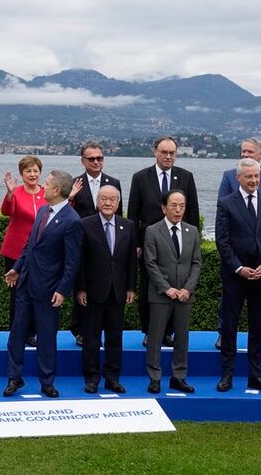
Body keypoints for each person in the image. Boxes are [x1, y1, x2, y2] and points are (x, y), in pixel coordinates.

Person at [3, 170, 82, 398]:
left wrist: (62, 290)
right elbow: (29, 246)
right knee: (16, 333)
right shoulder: (42, 211)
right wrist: (16, 269)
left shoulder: (72, 220)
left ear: (57, 190)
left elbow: (72, 261)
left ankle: (47, 382)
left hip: (49, 289)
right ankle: (13, 378)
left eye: (46, 184)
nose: (42, 187)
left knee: (47, 338)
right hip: (26, 283)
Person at [215, 158, 261, 394]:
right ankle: (227, 375)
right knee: (230, 327)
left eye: (257, 176)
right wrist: (238, 268)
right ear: (238, 178)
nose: (253, 180)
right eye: (249, 176)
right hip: (235, 276)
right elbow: (222, 241)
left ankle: (256, 376)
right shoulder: (226, 203)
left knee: (259, 327)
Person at [127, 136, 200, 347]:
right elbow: (133, 212)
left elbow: (192, 212)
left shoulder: (186, 177)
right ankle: (149, 331)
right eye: (164, 152)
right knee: (149, 287)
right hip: (149, 243)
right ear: (155, 152)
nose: (168, 156)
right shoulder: (140, 177)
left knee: (175, 285)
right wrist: (136, 244)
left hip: (177, 244)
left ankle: (168, 332)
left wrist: (192, 242)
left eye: (172, 153)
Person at [76, 184, 136, 394]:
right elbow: (80, 260)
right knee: (91, 338)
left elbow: (130, 262)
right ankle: (91, 378)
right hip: (92, 291)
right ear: (97, 202)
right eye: (104, 199)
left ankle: (113, 378)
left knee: (115, 338)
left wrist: (131, 288)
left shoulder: (127, 226)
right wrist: (81, 288)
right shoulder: (85, 225)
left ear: (118, 203)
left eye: (112, 199)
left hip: (118, 291)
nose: (108, 203)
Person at [144, 189, 201, 394]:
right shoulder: (152, 231)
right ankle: (155, 377)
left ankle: (179, 376)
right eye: (174, 205)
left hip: (185, 295)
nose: (178, 210)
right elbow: (150, 263)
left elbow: (196, 263)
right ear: (164, 207)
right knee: (156, 337)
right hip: (161, 294)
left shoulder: (192, 231)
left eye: (182, 206)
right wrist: (166, 288)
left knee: (182, 338)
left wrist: (187, 288)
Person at [68, 140, 123, 347]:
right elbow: (67, 212)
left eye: (99, 158)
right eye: (91, 159)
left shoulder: (114, 182)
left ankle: (100, 329)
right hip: (82, 243)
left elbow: (120, 214)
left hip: (107, 243)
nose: (96, 162)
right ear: (83, 161)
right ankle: (79, 329)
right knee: (81, 287)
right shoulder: (75, 183)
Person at [0, 155, 46, 342]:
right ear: (22, 173)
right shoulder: (16, 192)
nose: (32, 174)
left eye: (35, 170)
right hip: (16, 253)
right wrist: (10, 193)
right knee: (18, 294)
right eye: (28, 171)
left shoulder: (46, 192)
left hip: (40, 253)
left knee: (37, 292)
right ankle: (17, 332)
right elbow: (6, 211)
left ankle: (32, 333)